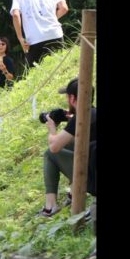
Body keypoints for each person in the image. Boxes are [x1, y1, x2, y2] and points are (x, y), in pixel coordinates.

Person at [39, 77, 96, 217]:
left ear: (72, 98)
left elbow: (54, 147)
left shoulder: (80, 117)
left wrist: (52, 128)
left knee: (50, 154)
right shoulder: (92, 113)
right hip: (93, 169)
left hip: (91, 178)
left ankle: (50, 205)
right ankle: (71, 194)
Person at [10, 0, 69, 66]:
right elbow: (64, 8)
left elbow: (15, 15)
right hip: (55, 34)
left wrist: (20, 38)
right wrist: (52, 18)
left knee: (35, 72)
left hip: (34, 39)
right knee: (59, 67)